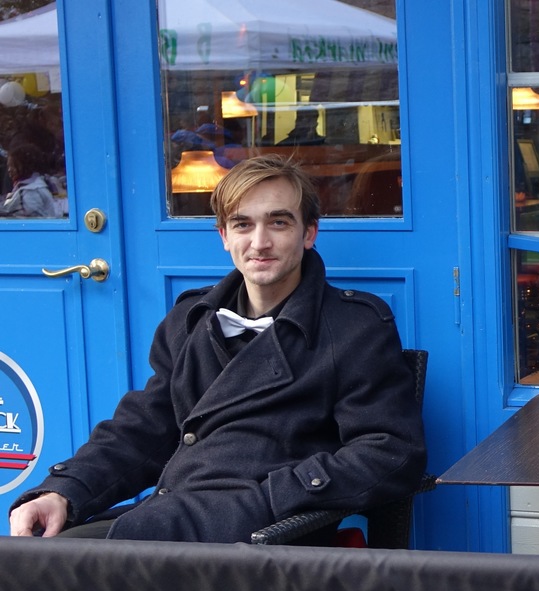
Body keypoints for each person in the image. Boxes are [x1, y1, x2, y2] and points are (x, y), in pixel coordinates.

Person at [8, 154, 427, 542]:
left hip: (263, 539)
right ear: (224, 235)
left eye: (278, 223)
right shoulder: (189, 322)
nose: (259, 242)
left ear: (309, 233)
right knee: (32, 564)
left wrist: (272, 497)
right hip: (171, 521)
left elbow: (390, 451)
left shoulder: (353, 328)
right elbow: (142, 431)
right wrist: (65, 491)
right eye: (243, 225)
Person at [0, 143, 62, 218]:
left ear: (27, 166)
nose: (9, 170)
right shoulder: (30, 185)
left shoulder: (31, 191)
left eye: (13, 166)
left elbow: (32, 220)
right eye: (8, 166)